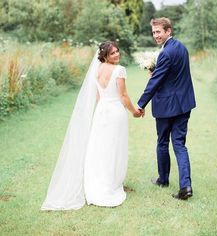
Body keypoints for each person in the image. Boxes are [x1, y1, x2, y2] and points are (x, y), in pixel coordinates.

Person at [41, 41, 142, 210]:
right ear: (104, 56)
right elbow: (123, 96)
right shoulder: (119, 70)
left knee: (100, 147)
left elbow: (97, 96)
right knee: (114, 147)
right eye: (112, 53)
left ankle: (98, 182)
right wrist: (134, 111)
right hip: (116, 111)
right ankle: (110, 184)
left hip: (101, 111)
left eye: (117, 51)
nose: (117, 55)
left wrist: (104, 107)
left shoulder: (96, 69)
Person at [137, 18, 196, 200]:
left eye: (159, 32)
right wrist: (158, 70)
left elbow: (156, 82)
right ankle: (185, 186)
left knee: (163, 141)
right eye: (153, 32)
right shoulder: (181, 48)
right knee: (179, 144)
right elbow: (175, 74)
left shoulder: (165, 53)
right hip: (184, 104)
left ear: (168, 31)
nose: (156, 35)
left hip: (166, 105)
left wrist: (140, 104)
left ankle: (163, 179)